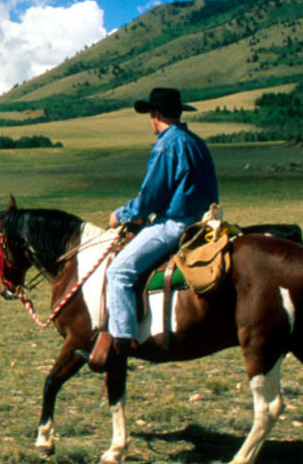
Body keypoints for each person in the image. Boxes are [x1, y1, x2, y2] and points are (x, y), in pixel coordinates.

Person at [84, 87, 218, 371]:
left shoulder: (167, 145)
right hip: (204, 221)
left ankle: (121, 345)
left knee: (118, 272)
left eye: (150, 115)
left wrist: (120, 215)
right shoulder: (195, 142)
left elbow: (150, 198)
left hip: (175, 224)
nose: (150, 120)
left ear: (155, 115)